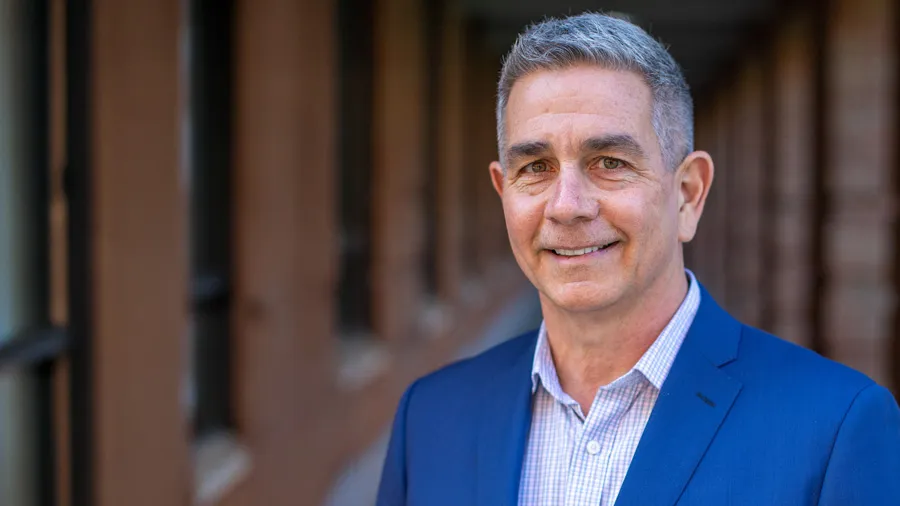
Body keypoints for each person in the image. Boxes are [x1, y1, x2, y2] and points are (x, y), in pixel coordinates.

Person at [376, 12, 900, 506]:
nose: (567, 206)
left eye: (609, 162)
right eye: (535, 167)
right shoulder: (429, 418)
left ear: (688, 194)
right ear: (503, 192)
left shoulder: (834, 427)